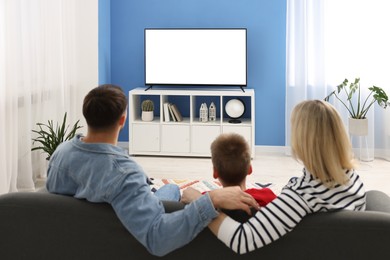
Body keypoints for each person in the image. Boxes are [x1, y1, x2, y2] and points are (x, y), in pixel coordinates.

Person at [45, 84, 258, 257]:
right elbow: (158, 238)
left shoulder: (60, 154)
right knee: (172, 191)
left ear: (87, 115)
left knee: (172, 189)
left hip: (78, 238)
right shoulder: (125, 175)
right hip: (125, 236)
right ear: (123, 120)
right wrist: (210, 199)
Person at [201, 100, 366, 254]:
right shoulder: (351, 177)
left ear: (302, 141)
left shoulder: (302, 195)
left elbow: (242, 240)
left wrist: (202, 204)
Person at [181, 133, 276, 221]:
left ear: (215, 172)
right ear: (250, 169)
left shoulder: (204, 200)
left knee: (171, 189)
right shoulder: (267, 196)